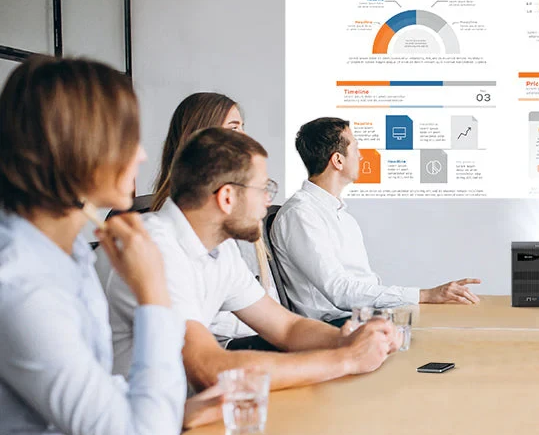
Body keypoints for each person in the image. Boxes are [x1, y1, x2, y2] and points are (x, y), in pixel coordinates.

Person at [0, 57, 219, 435]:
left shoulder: (66, 247)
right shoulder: (22, 285)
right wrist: (154, 293)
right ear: (77, 149)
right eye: (128, 139)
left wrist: (174, 412)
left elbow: (93, 384)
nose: (141, 155)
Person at [105, 126, 398, 392]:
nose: (269, 201)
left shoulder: (220, 250)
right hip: (136, 421)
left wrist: (348, 339)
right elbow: (209, 369)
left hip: (179, 410)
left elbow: (287, 328)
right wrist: (346, 359)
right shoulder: (156, 248)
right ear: (227, 197)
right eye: (264, 189)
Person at [270, 117, 481, 322]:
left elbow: (363, 284)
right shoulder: (300, 214)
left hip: (362, 316)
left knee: (453, 316)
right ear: (338, 160)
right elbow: (339, 291)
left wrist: (418, 299)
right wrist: (424, 295)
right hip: (334, 325)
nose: (361, 156)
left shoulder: (342, 216)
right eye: (356, 149)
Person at [150, 92, 280, 347]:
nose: (246, 138)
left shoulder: (230, 234)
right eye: (233, 128)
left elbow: (267, 306)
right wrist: (266, 326)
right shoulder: (174, 231)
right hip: (222, 346)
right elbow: (202, 321)